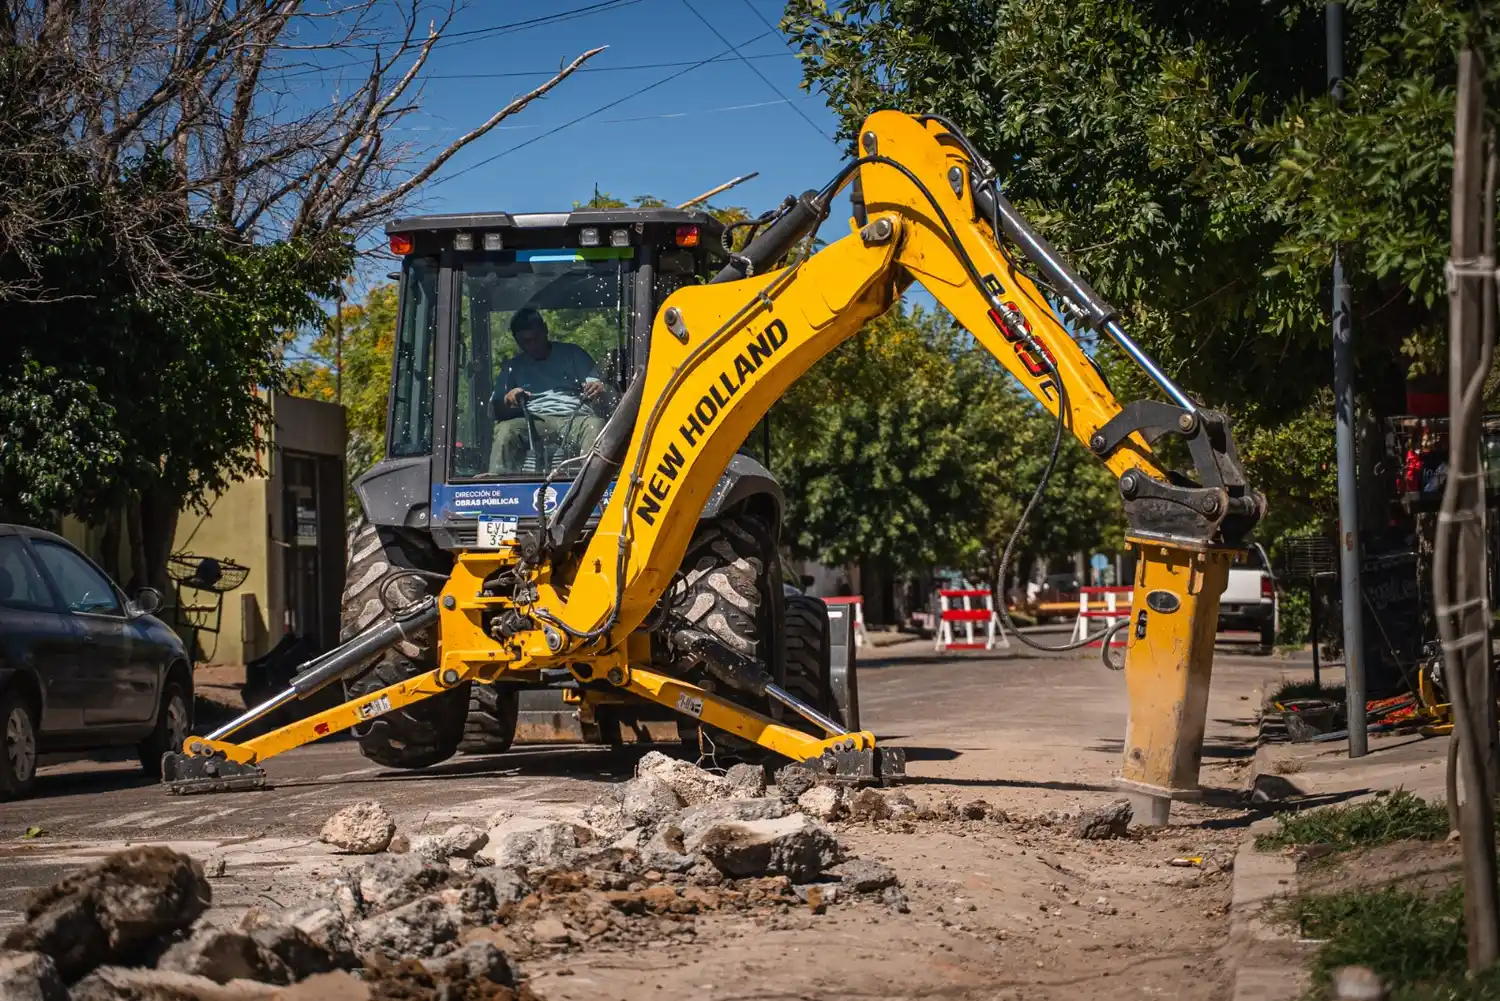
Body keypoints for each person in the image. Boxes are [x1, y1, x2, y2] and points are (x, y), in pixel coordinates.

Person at [489, 308, 613, 472]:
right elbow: (496, 411)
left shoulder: (572, 354)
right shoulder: (513, 367)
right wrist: (508, 399)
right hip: (532, 420)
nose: (533, 345)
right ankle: (496, 488)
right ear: (517, 341)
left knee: (595, 425)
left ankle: (594, 483)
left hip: (574, 417)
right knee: (505, 430)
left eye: (536, 338)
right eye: (526, 341)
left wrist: (598, 388)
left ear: (545, 329)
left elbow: (598, 388)